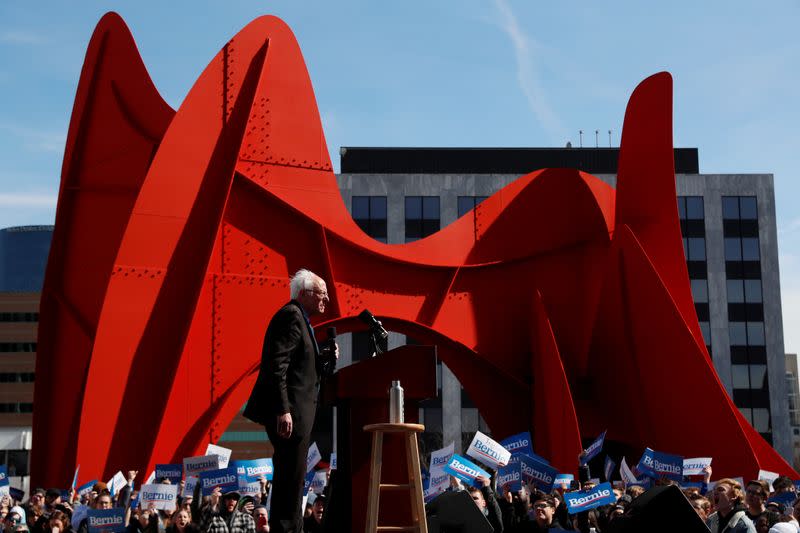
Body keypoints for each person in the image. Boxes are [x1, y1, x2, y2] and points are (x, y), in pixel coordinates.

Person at [243, 269, 337, 533]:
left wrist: (323, 360)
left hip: (297, 414)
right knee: (289, 480)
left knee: (294, 481)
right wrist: (283, 409)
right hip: (290, 416)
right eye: (322, 293)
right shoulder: (291, 316)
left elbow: (299, 368)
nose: (326, 300)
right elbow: (277, 366)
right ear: (305, 293)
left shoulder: (301, 319)